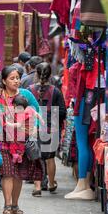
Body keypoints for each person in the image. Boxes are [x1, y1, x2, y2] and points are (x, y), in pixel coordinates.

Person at [0, 66, 43, 214]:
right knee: (8, 173)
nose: (16, 81)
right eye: (12, 78)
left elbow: (37, 111)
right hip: (3, 141)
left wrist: (34, 128)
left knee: (18, 174)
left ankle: (15, 205)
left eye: (17, 78)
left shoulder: (26, 95)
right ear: (4, 81)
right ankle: (6, 206)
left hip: (22, 142)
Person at [29, 62, 66, 196]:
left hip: (33, 128)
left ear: (36, 74)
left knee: (36, 157)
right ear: (50, 74)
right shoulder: (55, 91)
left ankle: (37, 187)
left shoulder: (29, 90)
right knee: (50, 158)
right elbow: (63, 111)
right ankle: (51, 183)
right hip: (52, 129)